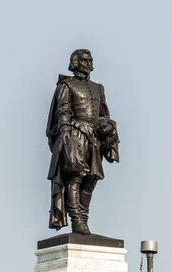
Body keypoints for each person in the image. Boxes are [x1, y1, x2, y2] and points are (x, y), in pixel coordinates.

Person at [46, 49, 119, 235]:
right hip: (75, 135)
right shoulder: (66, 85)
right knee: (75, 177)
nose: (89, 63)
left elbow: (103, 113)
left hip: (94, 137)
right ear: (75, 63)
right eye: (85, 60)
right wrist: (64, 135)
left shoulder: (98, 88)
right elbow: (62, 111)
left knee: (91, 179)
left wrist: (107, 126)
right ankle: (77, 219)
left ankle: (84, 218)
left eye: (90, 60)